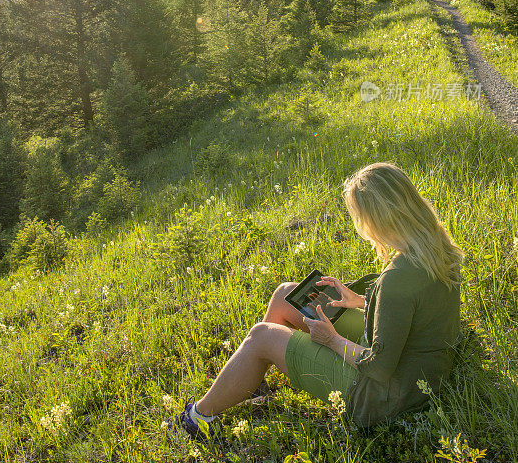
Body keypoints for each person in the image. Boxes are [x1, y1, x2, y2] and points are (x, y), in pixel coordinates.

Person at [168, 162, 465, 436]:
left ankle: (197, 420)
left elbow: (379, 367)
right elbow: (414, 310)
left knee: (261, 336)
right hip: (413, 368)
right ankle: (251, 381)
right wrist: (363, 300)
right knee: (287, 294)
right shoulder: (434, 242)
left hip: (383, 396)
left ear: (376, 220)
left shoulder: (397, 279)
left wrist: (332, 340)